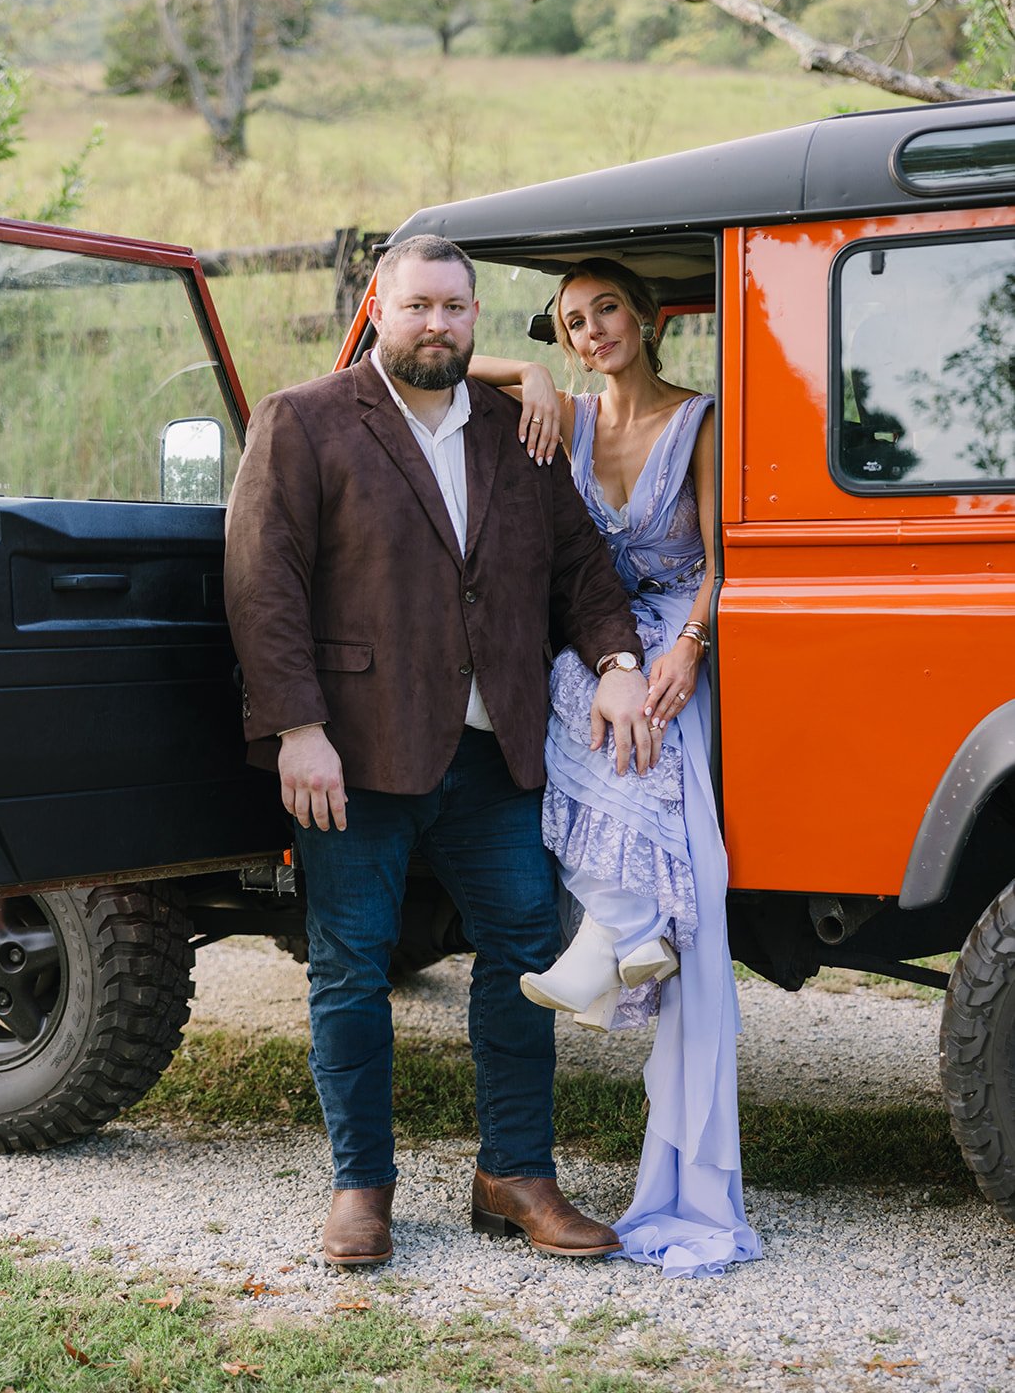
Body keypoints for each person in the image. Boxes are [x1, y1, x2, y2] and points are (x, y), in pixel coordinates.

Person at [223, 234, 656, 1270]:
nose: (438, 326)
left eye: (456, 309)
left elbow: (579, 569)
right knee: (348, 970)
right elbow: (262, 583)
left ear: (474, 316)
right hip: (352, 756)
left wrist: (616, 658)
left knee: (522, 961)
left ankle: (514, 1175)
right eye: (418, 307)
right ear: (380, 306)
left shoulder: (516, 428)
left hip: (491, 753)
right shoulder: (306, 419)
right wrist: (297, 728)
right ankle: (360, 1187)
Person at [471, 258, 762, 1277]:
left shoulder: (702, 416)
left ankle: (621, 932)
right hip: (597, 644)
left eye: (605, 311)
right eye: (569, 322)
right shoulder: (561, 420)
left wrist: (690, 645)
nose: (590, 330)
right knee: (568, 696)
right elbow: (422, 356)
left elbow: (723, 558)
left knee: (639, 718)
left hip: (679, 640)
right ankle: (625, 926)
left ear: (644, 317)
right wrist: (531, 375)